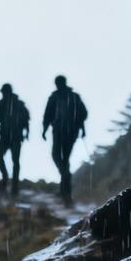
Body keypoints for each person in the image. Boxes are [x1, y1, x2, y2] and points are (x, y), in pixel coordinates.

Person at [42, 75, 88, 204]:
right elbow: (82, 114)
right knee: (64, 159)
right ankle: (65, 189)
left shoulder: (56, 97)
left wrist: (44, 129)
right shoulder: (73, 97)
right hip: (70, 132)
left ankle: (65, 186)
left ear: (57, 83)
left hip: (61, 131)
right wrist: (82, 129)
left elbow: (47, 115)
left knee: (58, 156)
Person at [0, 83, 29, 194]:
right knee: (14, 161)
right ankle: (13, 185)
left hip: (8, 136)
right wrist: (26, 133)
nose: (3, 94)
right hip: (15, 136)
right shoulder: (19, 104)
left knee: (1, 157)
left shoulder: (2, 104)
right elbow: (26, 120)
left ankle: (7, 180)